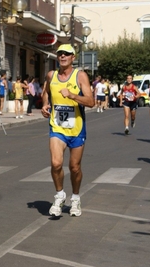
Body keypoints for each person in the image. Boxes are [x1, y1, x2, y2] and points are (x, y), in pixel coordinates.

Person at [41, 44, 95, 217]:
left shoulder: (80, 76)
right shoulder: (52, 75)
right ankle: (59, 195)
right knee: (56, 163)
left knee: (74, 167)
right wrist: (45, 104)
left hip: (76, 128)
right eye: (60, 54)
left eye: (66, 54)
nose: (62, 56)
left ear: (73, 57)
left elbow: (91, 101)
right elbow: (46, 92)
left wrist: (72, 96)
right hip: (57, 127)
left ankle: (76, 198)